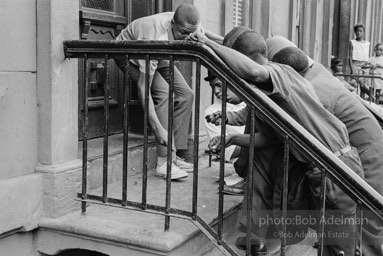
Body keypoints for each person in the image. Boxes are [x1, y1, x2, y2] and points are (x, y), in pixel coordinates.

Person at [191, 27, 364, 256]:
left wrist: (207, 43)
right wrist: (232, 137)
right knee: (330, 242)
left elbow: (253, 70)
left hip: (333, 171)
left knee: (340, 249)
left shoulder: (274, 73)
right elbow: (270, 137)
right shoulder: (284, 77)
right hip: (334, 166)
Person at [268, 35, 383, 256]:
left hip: (366, 159)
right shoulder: (317, 70)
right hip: (371, 149)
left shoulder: (312, 91)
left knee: (365, 230)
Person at [114, 4, 223, 180]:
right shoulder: (155, 36)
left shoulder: (190, 26)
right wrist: (158, 129)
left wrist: (228, 41)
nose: (188, 38)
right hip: (129, 54)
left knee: (186, 94)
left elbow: (207, 34)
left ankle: (174, 156)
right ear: (173, 24)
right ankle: (164, 162)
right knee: (163, 93)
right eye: (183, 33)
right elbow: (143, 87)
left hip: (161, 52)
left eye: (191, 34)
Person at [204, 72, 246, 163]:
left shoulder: (251, 103)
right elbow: (227, 150)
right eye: (212, 87)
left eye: (219, 85)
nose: (215, 91)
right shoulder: (212, 112)